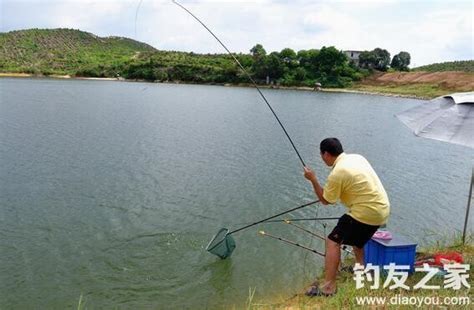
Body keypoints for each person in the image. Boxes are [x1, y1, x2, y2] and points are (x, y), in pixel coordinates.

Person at [303, 137, 390, 296]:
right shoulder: (357, 157)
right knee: (357, 241)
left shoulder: (337, 173)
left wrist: (313, 179)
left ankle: (329, 287)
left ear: (326, 154)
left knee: (332, 241)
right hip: (382, 210)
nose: (322, 159)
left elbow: (326, 200)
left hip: (366, 211)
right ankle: (360, 270)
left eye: (321, 155)